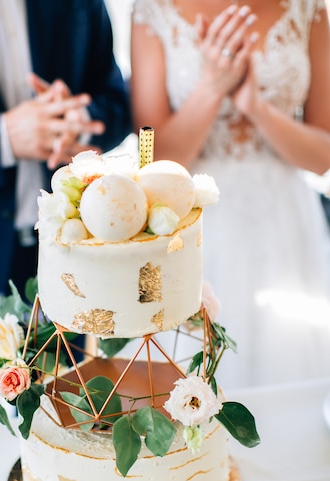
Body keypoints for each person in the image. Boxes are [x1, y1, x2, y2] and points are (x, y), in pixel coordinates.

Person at [0, 0, 132, 428]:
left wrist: (80, 118)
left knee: (67, 431)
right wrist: (1, 137)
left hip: (66, 262)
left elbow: (117, 102)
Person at [130, 0, 330, 389]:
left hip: (285, 219)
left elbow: (324, 157)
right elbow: (150, 156)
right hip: (192, 218)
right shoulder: (152, 11)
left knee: (293, 362)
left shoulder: (310, 10)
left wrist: (256, 108)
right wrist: (212, 86)